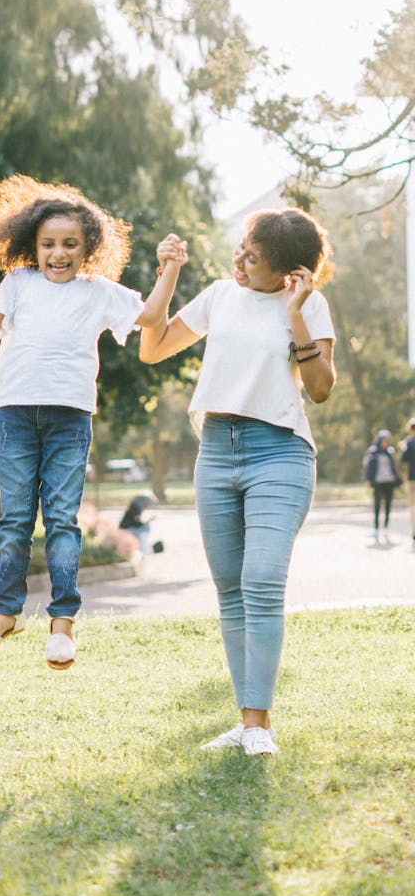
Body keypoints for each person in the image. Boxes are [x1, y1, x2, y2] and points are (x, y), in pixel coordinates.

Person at [0, 174, 187, 670]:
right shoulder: (19, 283)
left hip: (69, 418)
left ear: (89, 248)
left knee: (62, 519)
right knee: (16, 519)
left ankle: (62, 624)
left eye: (70, 244)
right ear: (31, 246)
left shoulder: (98, 291)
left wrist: (168, 269)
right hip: (16, 414)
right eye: (47, 244)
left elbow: (149, 316)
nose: (58, 254)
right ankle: (5, 615)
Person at [140, 207, 335, 758]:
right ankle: (248, 722)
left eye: (255, 258)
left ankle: (258, 726)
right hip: (216, 451)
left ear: (291, 273)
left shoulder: (310, 304)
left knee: (262, 580)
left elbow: (320, 388)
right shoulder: (221, 295)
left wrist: (295, 313)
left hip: (280, 452)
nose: (241, 262)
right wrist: (169, 273)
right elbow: (151, 349)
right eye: (242, 249)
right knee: (231, 593)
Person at [363, 429, 402, 538]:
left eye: (387, 441)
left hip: (389, 482)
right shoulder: (373, 451)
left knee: (388, 506)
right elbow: (368, 467)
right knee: (377, 505)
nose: (385, 443)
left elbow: (394, 467)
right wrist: (368, 480)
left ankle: (386, 527)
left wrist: (397, 480)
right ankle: (376, 528)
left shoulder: (390, 452)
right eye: (384, 441)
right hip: (378, 482)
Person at [398, 419, 415, 542]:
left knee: (413, 505)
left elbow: (404, 459)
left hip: (413, 478)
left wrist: (403, 447)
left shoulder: (409, 442)